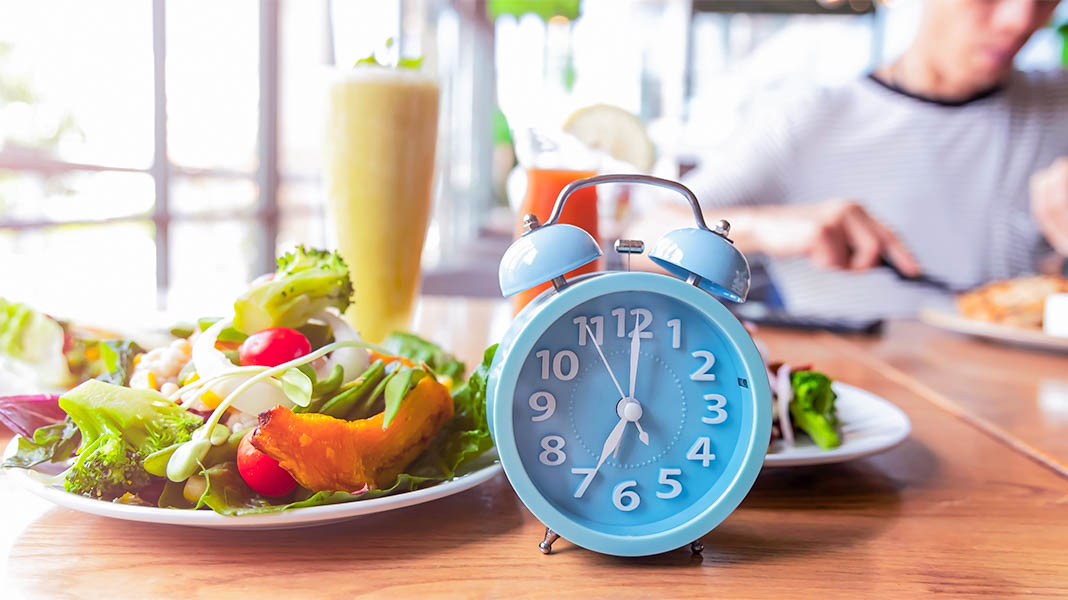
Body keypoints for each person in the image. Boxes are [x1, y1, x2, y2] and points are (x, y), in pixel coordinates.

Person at [633, 0, 1068, 319]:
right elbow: (643, 239)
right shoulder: (810, 118)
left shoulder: (1060, 106)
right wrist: (769, 225)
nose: (1021, 20)